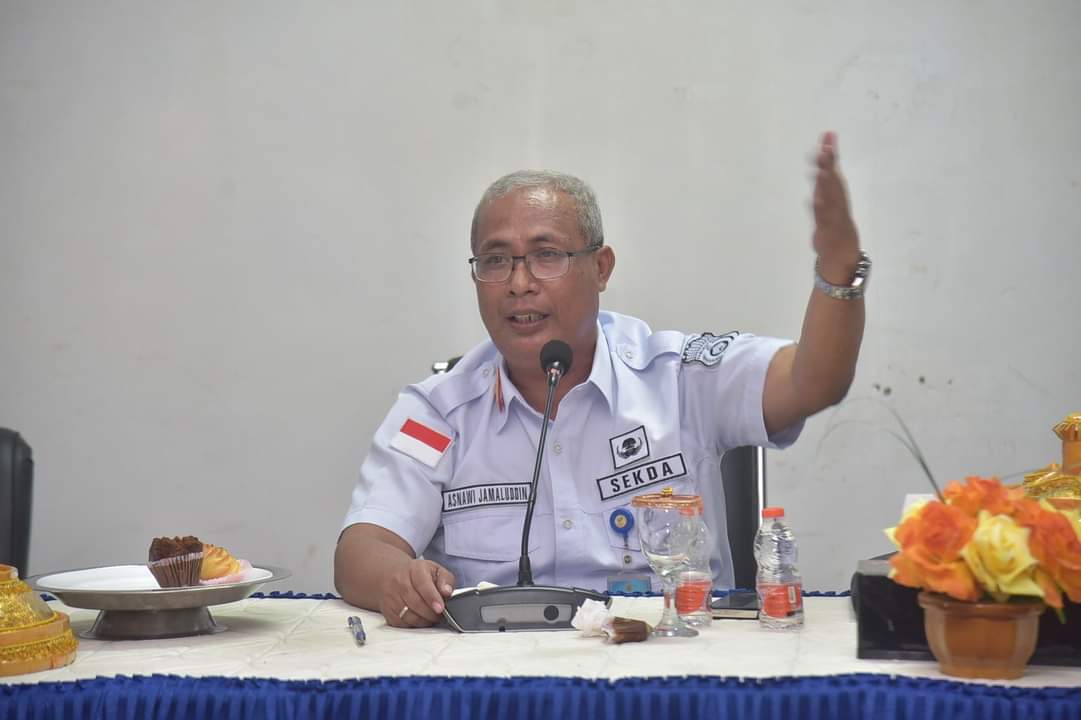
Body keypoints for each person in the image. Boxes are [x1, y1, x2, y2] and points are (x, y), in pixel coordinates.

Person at [335, 132, 867, 628]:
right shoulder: (439, 412)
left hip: (670, 665)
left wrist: (838, 272)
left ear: (602, 268)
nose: (519, 283)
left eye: (546, 255)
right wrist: (397, 578)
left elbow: (814, 381)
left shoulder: (678, 379)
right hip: (501, 671)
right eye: (495, 261)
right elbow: (362, 550)